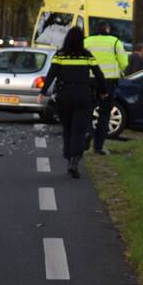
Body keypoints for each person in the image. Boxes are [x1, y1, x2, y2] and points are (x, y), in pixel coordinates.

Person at [41, 27, 105, 177]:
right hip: (83, 95)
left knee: (67, 128)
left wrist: (43, 92)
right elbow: (99, 75)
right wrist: (103, 91)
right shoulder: (87, 55)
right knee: (79, 130)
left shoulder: (60, 55)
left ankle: (69, 156)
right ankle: (75, 159)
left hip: (64, 96)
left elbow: (51, 74)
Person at [84, 21, 128, 155]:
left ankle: (87, 131)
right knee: (104, 114)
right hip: (108, 82)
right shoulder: (115, 42)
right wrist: (119, 70)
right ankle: (99, 146)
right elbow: (124, 62)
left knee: (87, 110)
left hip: (89, 81)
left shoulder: (87, 41)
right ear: (108, 29)